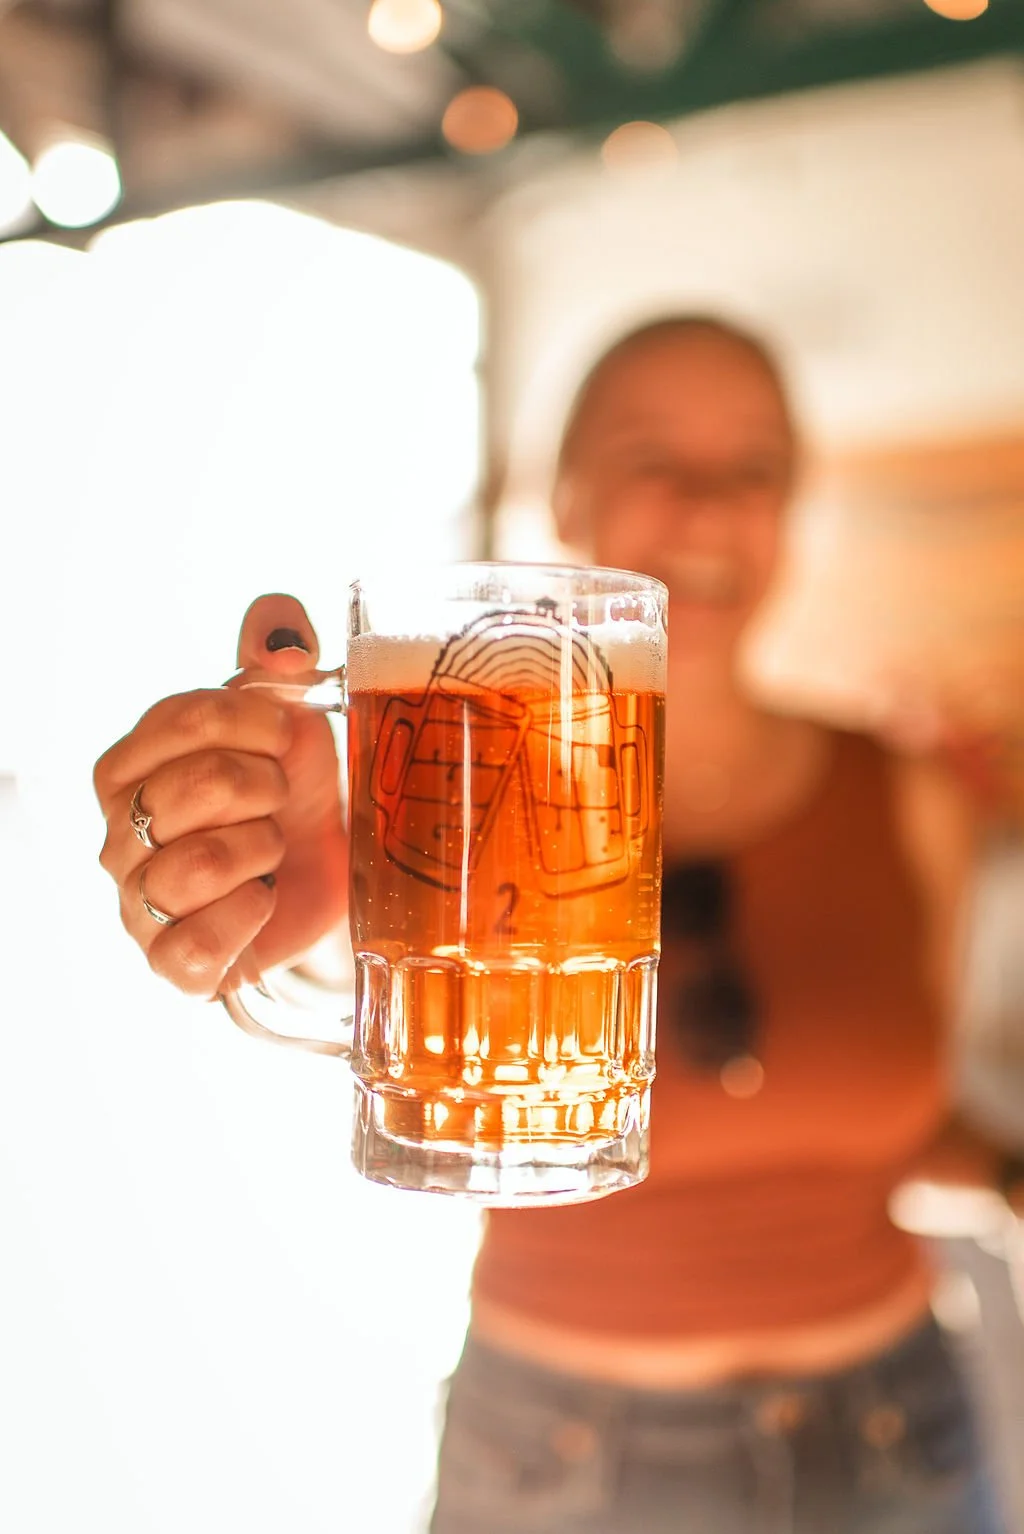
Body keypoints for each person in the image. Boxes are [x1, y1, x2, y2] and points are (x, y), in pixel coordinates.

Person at [94, 317, 1024, 1533]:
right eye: (651, 458)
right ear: (563, 496)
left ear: (789, 511)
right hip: (564, 1462)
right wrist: (297, 919)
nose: (702, 505)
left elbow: (898, 1118)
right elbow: (399, 994)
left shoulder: (903, 793)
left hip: (897, 1429)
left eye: (752, 468)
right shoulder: (459, 776)